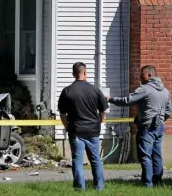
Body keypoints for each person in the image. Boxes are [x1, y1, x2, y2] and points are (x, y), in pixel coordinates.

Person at [107, 65, 171, 187]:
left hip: (147, 128)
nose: (139, 77)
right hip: (159, 127)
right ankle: (157, 181)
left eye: (142, 74)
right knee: (156, 155)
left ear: (149, 75)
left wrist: (110, 99)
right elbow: (168, 110)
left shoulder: (145, 89)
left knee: (145, 156)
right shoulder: (165, 91)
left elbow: (127, 101)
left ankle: (147, 183)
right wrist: (161, 120)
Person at [58, 62, 108, 191]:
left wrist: (67, 126)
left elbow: (63, 113)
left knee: (77, 161)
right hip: (93, 131)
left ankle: (80, 189)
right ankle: (99, 187)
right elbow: (104, 111)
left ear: (73, 74)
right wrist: (100, 122)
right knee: (96, 159)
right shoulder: (95, 90)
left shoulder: (67, 91)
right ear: (85, 73)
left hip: (76, 130)